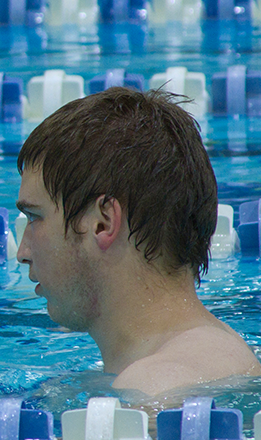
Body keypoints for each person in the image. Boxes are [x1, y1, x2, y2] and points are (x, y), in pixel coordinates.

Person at [16, 87, 261, 398]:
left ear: (103, 222)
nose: (22, 253)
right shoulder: (200, 358)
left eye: (35, 218)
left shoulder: (157, 386)